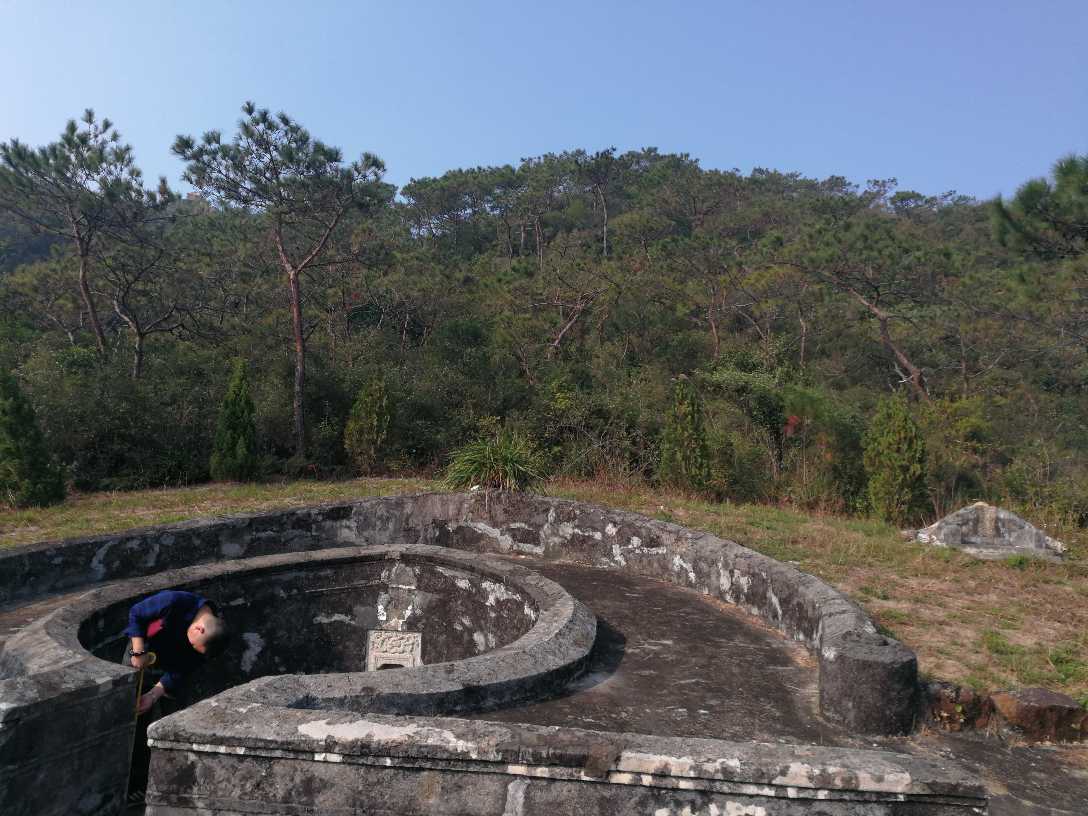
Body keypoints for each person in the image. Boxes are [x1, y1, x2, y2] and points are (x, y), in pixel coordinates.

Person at [122, 589, 229, 804]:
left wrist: (154, 695)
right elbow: (137, 613)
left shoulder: (208, 641)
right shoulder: (174, 601)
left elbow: (184, 668)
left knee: (171, 721)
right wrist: (138, 650)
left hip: (168, 666)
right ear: (198, 629)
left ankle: (151, 782)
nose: (193, 648)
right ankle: (129, 782)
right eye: (193, 645)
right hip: (141, 652)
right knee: (131, 718)